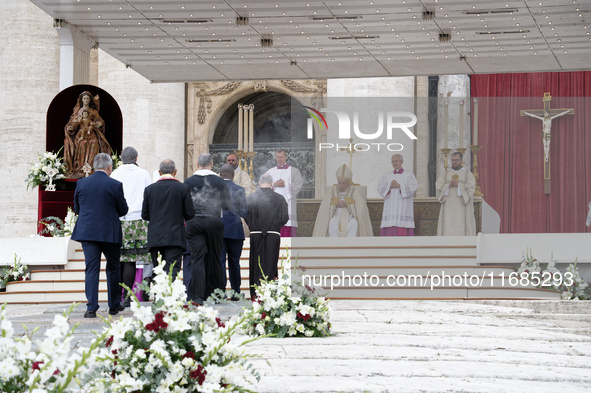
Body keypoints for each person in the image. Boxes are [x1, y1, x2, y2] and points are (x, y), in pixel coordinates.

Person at [71, 153, 128, 318]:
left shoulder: (81, 183)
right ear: (110, 167)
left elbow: (77, 209)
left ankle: (91, 308)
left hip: (88, 232)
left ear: (94, 167)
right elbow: (123, 210)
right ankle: (114, 305)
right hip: (109, 232)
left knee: (91, 269)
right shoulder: (115, 184)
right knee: (113, 267)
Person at [185, 153, 233, 304]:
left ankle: (198, 296)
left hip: (194, 222)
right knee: (215, 258)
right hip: (213, 221)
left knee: (197, 259)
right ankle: (216, 295)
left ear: (198, 164)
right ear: (212, 164)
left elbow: (184, 205)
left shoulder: (188, 181)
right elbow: (226, 205)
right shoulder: (219, 181)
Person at [110, 146, 152, 306]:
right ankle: (127, 298)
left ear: (121, 158)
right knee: (131, 261)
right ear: (136, 158)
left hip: (119, 219)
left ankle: (119, 296)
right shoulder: (143, 174)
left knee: (119, 260)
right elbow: (148, 194)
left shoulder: (115, 173)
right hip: (138, 220)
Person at [142, 159, 195, 282]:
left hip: (155, 236)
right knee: (172, 269)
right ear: (175, 172)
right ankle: (169, 299)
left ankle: (158, 298)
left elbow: (145, 214)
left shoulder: (149, 189)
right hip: (175, 236)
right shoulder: (183, 188)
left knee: (158, 269)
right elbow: (190, 213)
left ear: (160, 172)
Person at [246, 173, 289, 300]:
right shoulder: (280, 198)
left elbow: (245, 214)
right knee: (271, 263)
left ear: (259, 183)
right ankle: (270, 295)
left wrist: (254, 226)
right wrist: (274, 225)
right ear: (272, 183)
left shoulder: (251, 198)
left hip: (256, 234)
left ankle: (256, 294)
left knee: (256, 263)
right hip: (273, 234)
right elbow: (285, 218)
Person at [312, 164, 373, 237]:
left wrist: (348, 205)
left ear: (348, 183)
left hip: (350, 217)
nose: (341, 185)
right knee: (332, 222)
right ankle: (334, 245)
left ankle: (350, 245)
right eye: (339, 182)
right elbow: (324, 207)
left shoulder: (353, 191)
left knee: (354, 223)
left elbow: (362, 206)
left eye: (343, 183)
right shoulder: (332, 191)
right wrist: (334, 205)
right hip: (335, 215)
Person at [64, 91, 111, 177]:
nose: (86, 100)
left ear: (90, 100)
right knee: (82, 143)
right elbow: (75, 122)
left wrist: (99, 123)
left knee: (94, 143)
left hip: (91, 133)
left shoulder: (94, 111)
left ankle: (91, 167)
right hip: (81, 134)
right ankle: (80, 167)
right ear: (82, 100)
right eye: (84, 98)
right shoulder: (78, 111)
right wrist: (71, 127)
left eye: (87, 98)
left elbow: (99, 120)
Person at [219, 164, 248, 297]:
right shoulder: (239, 189)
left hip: (218, 230)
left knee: (220, 261)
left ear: (220, 174)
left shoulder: (214, 189)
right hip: (235, 231)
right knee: (234, 261)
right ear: (233, 175)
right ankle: (236, 291)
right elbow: (244, 211)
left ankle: (221, 291)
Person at [264, 149, 303, 237]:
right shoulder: (270, 172)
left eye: (281, 157)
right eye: (278, 157)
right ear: (275, 158)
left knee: (288, 230)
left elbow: (298, 185)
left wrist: (285, 184)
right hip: (274, 205)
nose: (279, 159)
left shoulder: (294, 171)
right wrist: (274, 184)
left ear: (286, 157)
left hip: (289, 204)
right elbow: (263, 185)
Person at [436, 152, 477, 236]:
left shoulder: (468, 175)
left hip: (462, 207)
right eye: (453, 160)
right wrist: (448, 185)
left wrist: (458, 185)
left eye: (457, 160)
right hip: (448, 208)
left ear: (461, 161)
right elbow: (438, 187)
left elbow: (470, 189)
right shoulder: (445, 174)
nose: (454, 162)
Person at [377, 154, 418, 236]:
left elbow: (414, 186)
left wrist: (400, 186)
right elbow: (380, 187)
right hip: (390, 206)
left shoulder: (409, 175)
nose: (394, 163)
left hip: (404, 205)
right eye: (393, 161)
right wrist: (389, 186)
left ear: (402, 162)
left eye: (396, 161)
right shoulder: (387, 176)